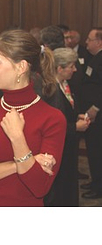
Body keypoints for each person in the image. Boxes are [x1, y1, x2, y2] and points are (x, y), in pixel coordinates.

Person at [0, 29, 67, 207]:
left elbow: (39, 187)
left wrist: (17, 137)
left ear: (21, 67)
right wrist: (22, 163)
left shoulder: (52, 119)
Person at [45, 48, 90, 206]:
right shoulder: (50, 90)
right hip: (59, 151)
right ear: (60, 69)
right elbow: (50, 127)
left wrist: (75, 116)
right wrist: (75, 127)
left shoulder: (65, 85)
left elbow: (66, 112)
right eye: (71, 66)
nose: (75, 69)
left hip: (69, 147)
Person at [80, 27, 102, 199]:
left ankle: (99, 187)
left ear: (99, 42)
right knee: (93, 150)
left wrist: (95, 107)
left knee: (97, 151)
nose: (86, 42)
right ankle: (96, 181)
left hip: (98, 114)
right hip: (91, 113)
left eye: (90, 39)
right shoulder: (95, 58)